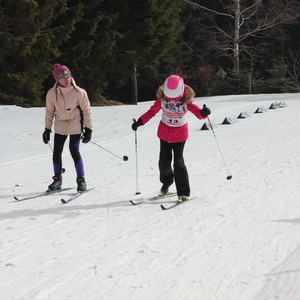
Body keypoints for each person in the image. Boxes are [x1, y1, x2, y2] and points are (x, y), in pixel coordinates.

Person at [131, 74, 211, 202]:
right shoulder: (162, 100)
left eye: (173, 97)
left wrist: (203, 113)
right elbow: (151, 112)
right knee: (163, 162)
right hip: (164, 134)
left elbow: (197, 112)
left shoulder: (186, 101)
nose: (171, 100)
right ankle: (166, 183)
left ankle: (183, 192)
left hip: (180, 136)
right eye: (169, 97)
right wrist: (139, 122)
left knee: (178, 163)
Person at [42, 63, 93, 192]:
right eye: (63, 78)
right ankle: (57, 179)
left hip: (75, 123)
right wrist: (47, 129)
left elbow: (87, 111)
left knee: (74, 150)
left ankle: (81, 180)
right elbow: (49, 112)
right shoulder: (52, 94)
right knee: (57, 152)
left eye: (68, 77)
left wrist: (88, 129)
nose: (67, 80)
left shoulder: (79, 92)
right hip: (60, 124)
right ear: (57, 80)